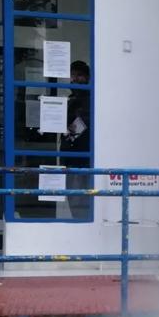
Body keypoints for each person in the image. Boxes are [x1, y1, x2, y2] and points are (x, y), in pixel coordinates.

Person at [61, 60, 91, 219]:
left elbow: (83, 123)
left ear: (87, 78)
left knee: (81, 202)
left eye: (79, 75)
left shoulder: (90, 100)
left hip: (83, 159)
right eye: (72, 75)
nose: (75, 79)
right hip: (70, 159)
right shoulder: (71, 99)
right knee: (73, 199)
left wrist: (68, 131)